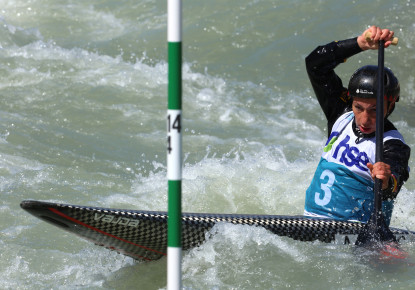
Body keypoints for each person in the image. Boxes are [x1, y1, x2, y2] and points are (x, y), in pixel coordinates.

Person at [304, 26, 410, 226]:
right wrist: (359, 44)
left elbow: (393, 185)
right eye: (358, 107)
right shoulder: (341, 114)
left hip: (357, 236)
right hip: (312, 223)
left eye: (374, 110)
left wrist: (387, 180)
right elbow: (315, 65)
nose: (364, 119)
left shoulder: (393, 145)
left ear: (391, 105)